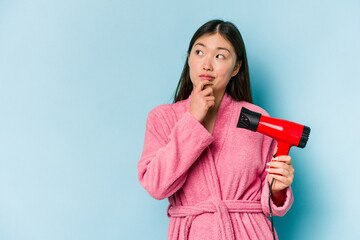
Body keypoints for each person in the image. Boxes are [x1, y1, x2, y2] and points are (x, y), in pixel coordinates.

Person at [137, 19, 294, 240]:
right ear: (189, 59)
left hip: (251, 233)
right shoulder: (162, 118)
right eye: (199, 52)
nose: (207, 64)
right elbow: (156, 186)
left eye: (220, 56)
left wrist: (277, 189)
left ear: (236, 67)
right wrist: (192, 119)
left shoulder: (257, 119)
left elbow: (270, 203)